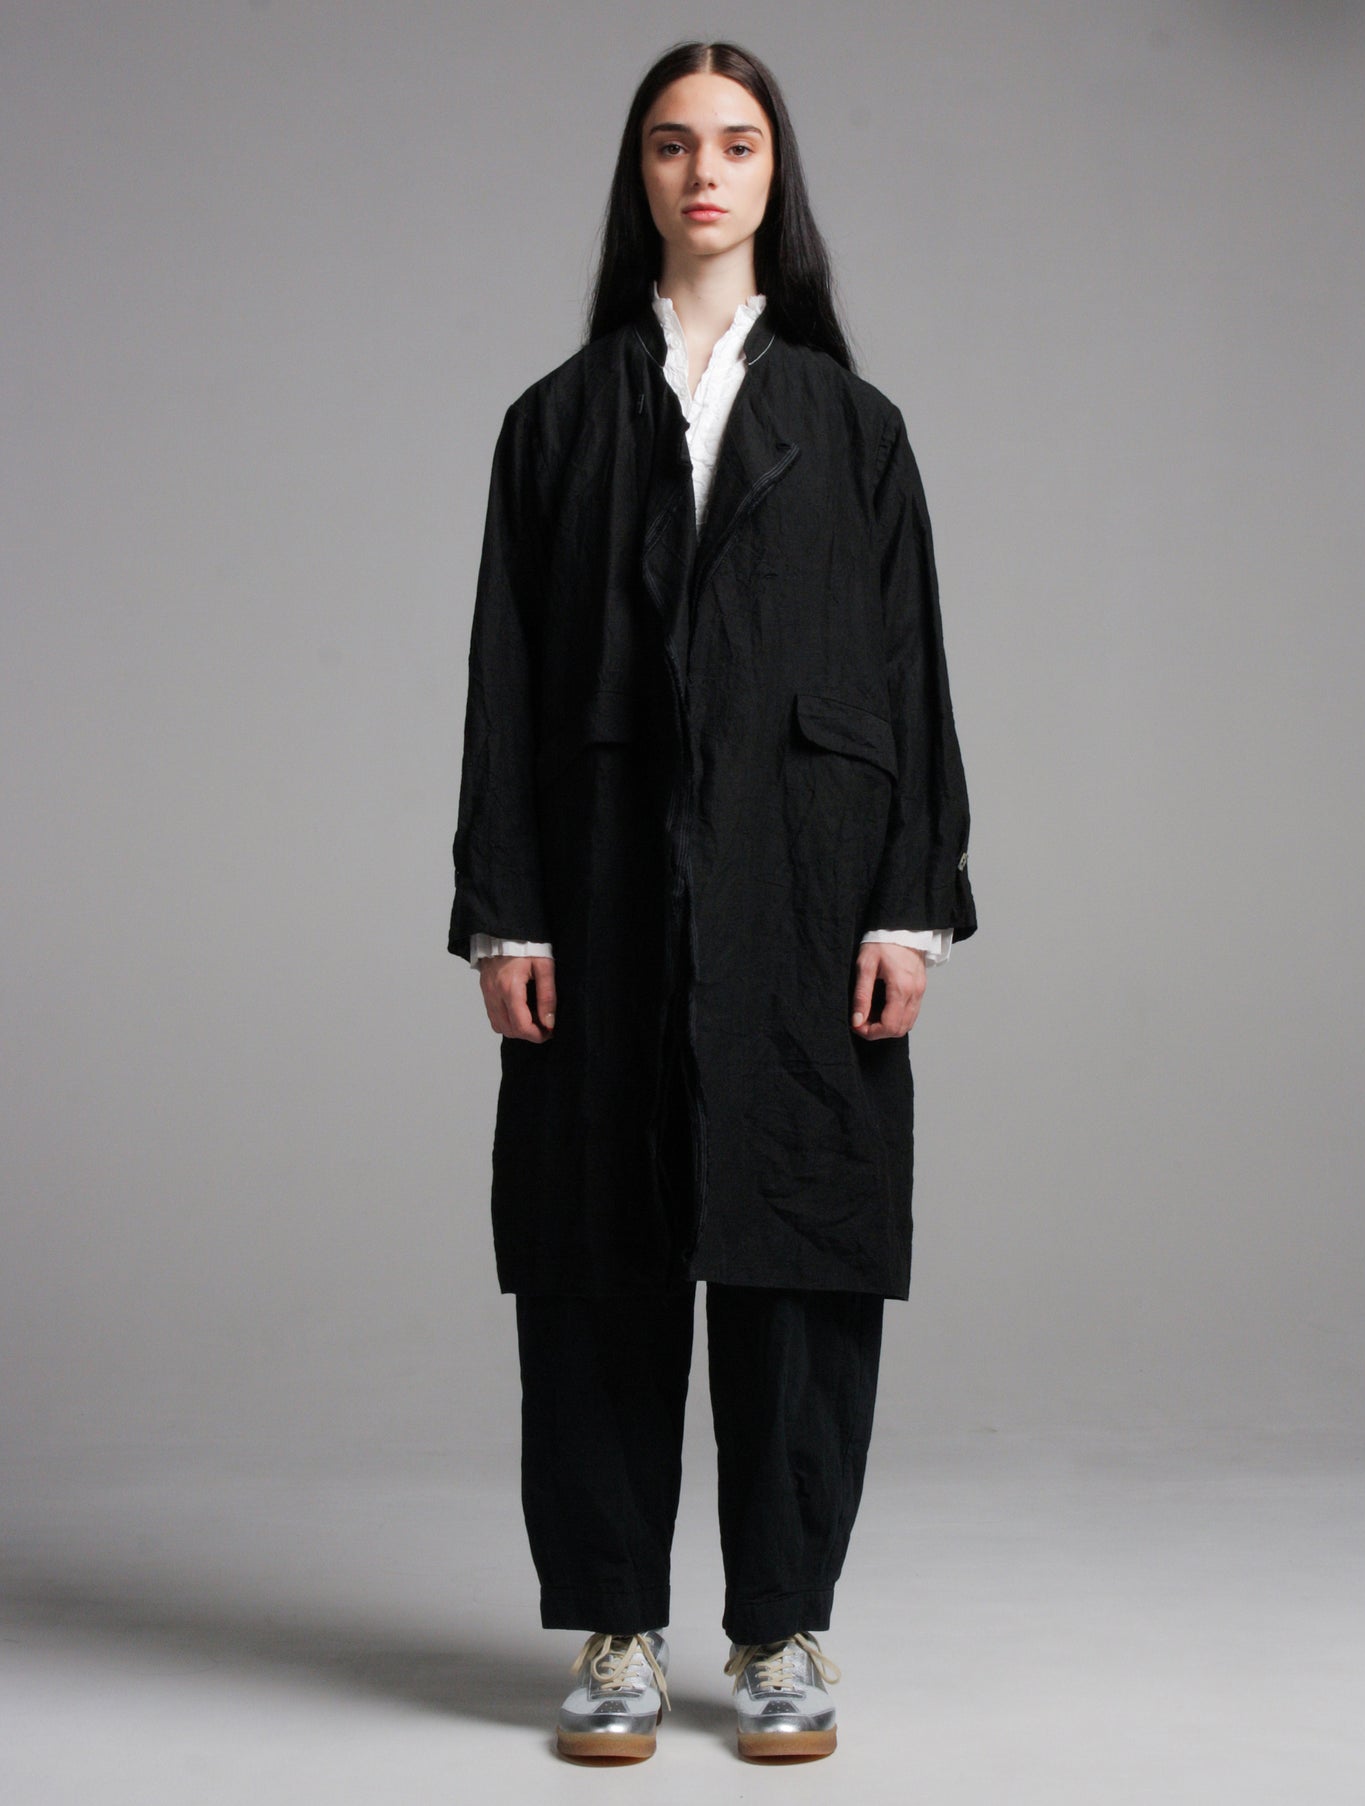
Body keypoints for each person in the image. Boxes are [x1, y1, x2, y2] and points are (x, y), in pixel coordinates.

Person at [447, 39, 976, 1763]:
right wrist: (505, 911)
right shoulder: (552, 423)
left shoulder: (852, 428)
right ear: (641, 175)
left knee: (796, 1241)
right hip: (599, 888)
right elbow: (504, 682)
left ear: (772, 177)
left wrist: (908, 903)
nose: (703, 174)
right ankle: (614, 1628)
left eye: (735, 145)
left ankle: (781, 1627)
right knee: (596, 1245)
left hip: (806, 889)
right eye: (673, 145)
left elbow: (909, 675)